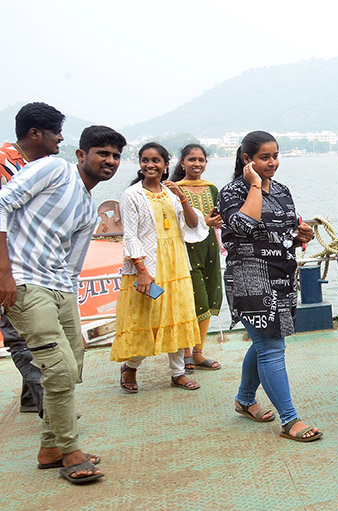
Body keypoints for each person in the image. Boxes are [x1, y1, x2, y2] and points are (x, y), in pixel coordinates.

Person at [0, 125, 124, 484]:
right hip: (24, 282)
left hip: (60, 289)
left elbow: (71, 266)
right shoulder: (54, 169)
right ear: (81, 155)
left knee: (72, 367)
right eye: (102, 152)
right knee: (56, 368)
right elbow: (2, 203)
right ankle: (70, 450)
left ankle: (49, 448)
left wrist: (73, 311)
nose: (110, 161)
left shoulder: (88, 211)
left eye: (115, 155)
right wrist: (4, 273)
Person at [220, 130, 322, 441]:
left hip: (281, 276)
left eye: (275, 155)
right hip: (249, 278)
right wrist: (254, 185)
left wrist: (300, 234)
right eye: (265, 157)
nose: (273, 163)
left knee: (266, 343)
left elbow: (285, 228)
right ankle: (290, 420)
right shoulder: (231, 192)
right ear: (247, 159)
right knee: (271, 346)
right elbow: (242, 225)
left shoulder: (282, 190)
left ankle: (245, 399)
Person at [111, 143, 203, 393]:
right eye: (144, 160)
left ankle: (177, 373)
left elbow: (194, 225)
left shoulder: (172, 193)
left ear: (165, 165)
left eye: (156, 161)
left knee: (177, 315)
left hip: (175, 263)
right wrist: (141, 270)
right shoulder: (132, 194)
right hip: (148, 265)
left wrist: (182, 197)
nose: (150, 165)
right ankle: (130, 366)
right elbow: (131, 236)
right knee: (146, 317)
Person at [0, 102, 65, 413]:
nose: (61, 140)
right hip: (10, 267)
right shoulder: (5, 165)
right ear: (35, 134)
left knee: (26, 334)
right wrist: (5, 273)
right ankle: (49, 410)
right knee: (23, 338)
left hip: (27, 265)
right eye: (56, 133)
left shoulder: (34, 166)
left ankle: (30, 399)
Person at [169, 144, 224, 373]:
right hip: (186, 250)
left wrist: (217, 220)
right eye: (192, 159)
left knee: (210, 296)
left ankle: (199, 351)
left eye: (201, 160)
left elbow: (219, 216)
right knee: (192, 300)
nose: (197, 164)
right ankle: (187, 353)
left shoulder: (211, 189)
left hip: (209, 247)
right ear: (182, 163)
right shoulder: (173, 189)